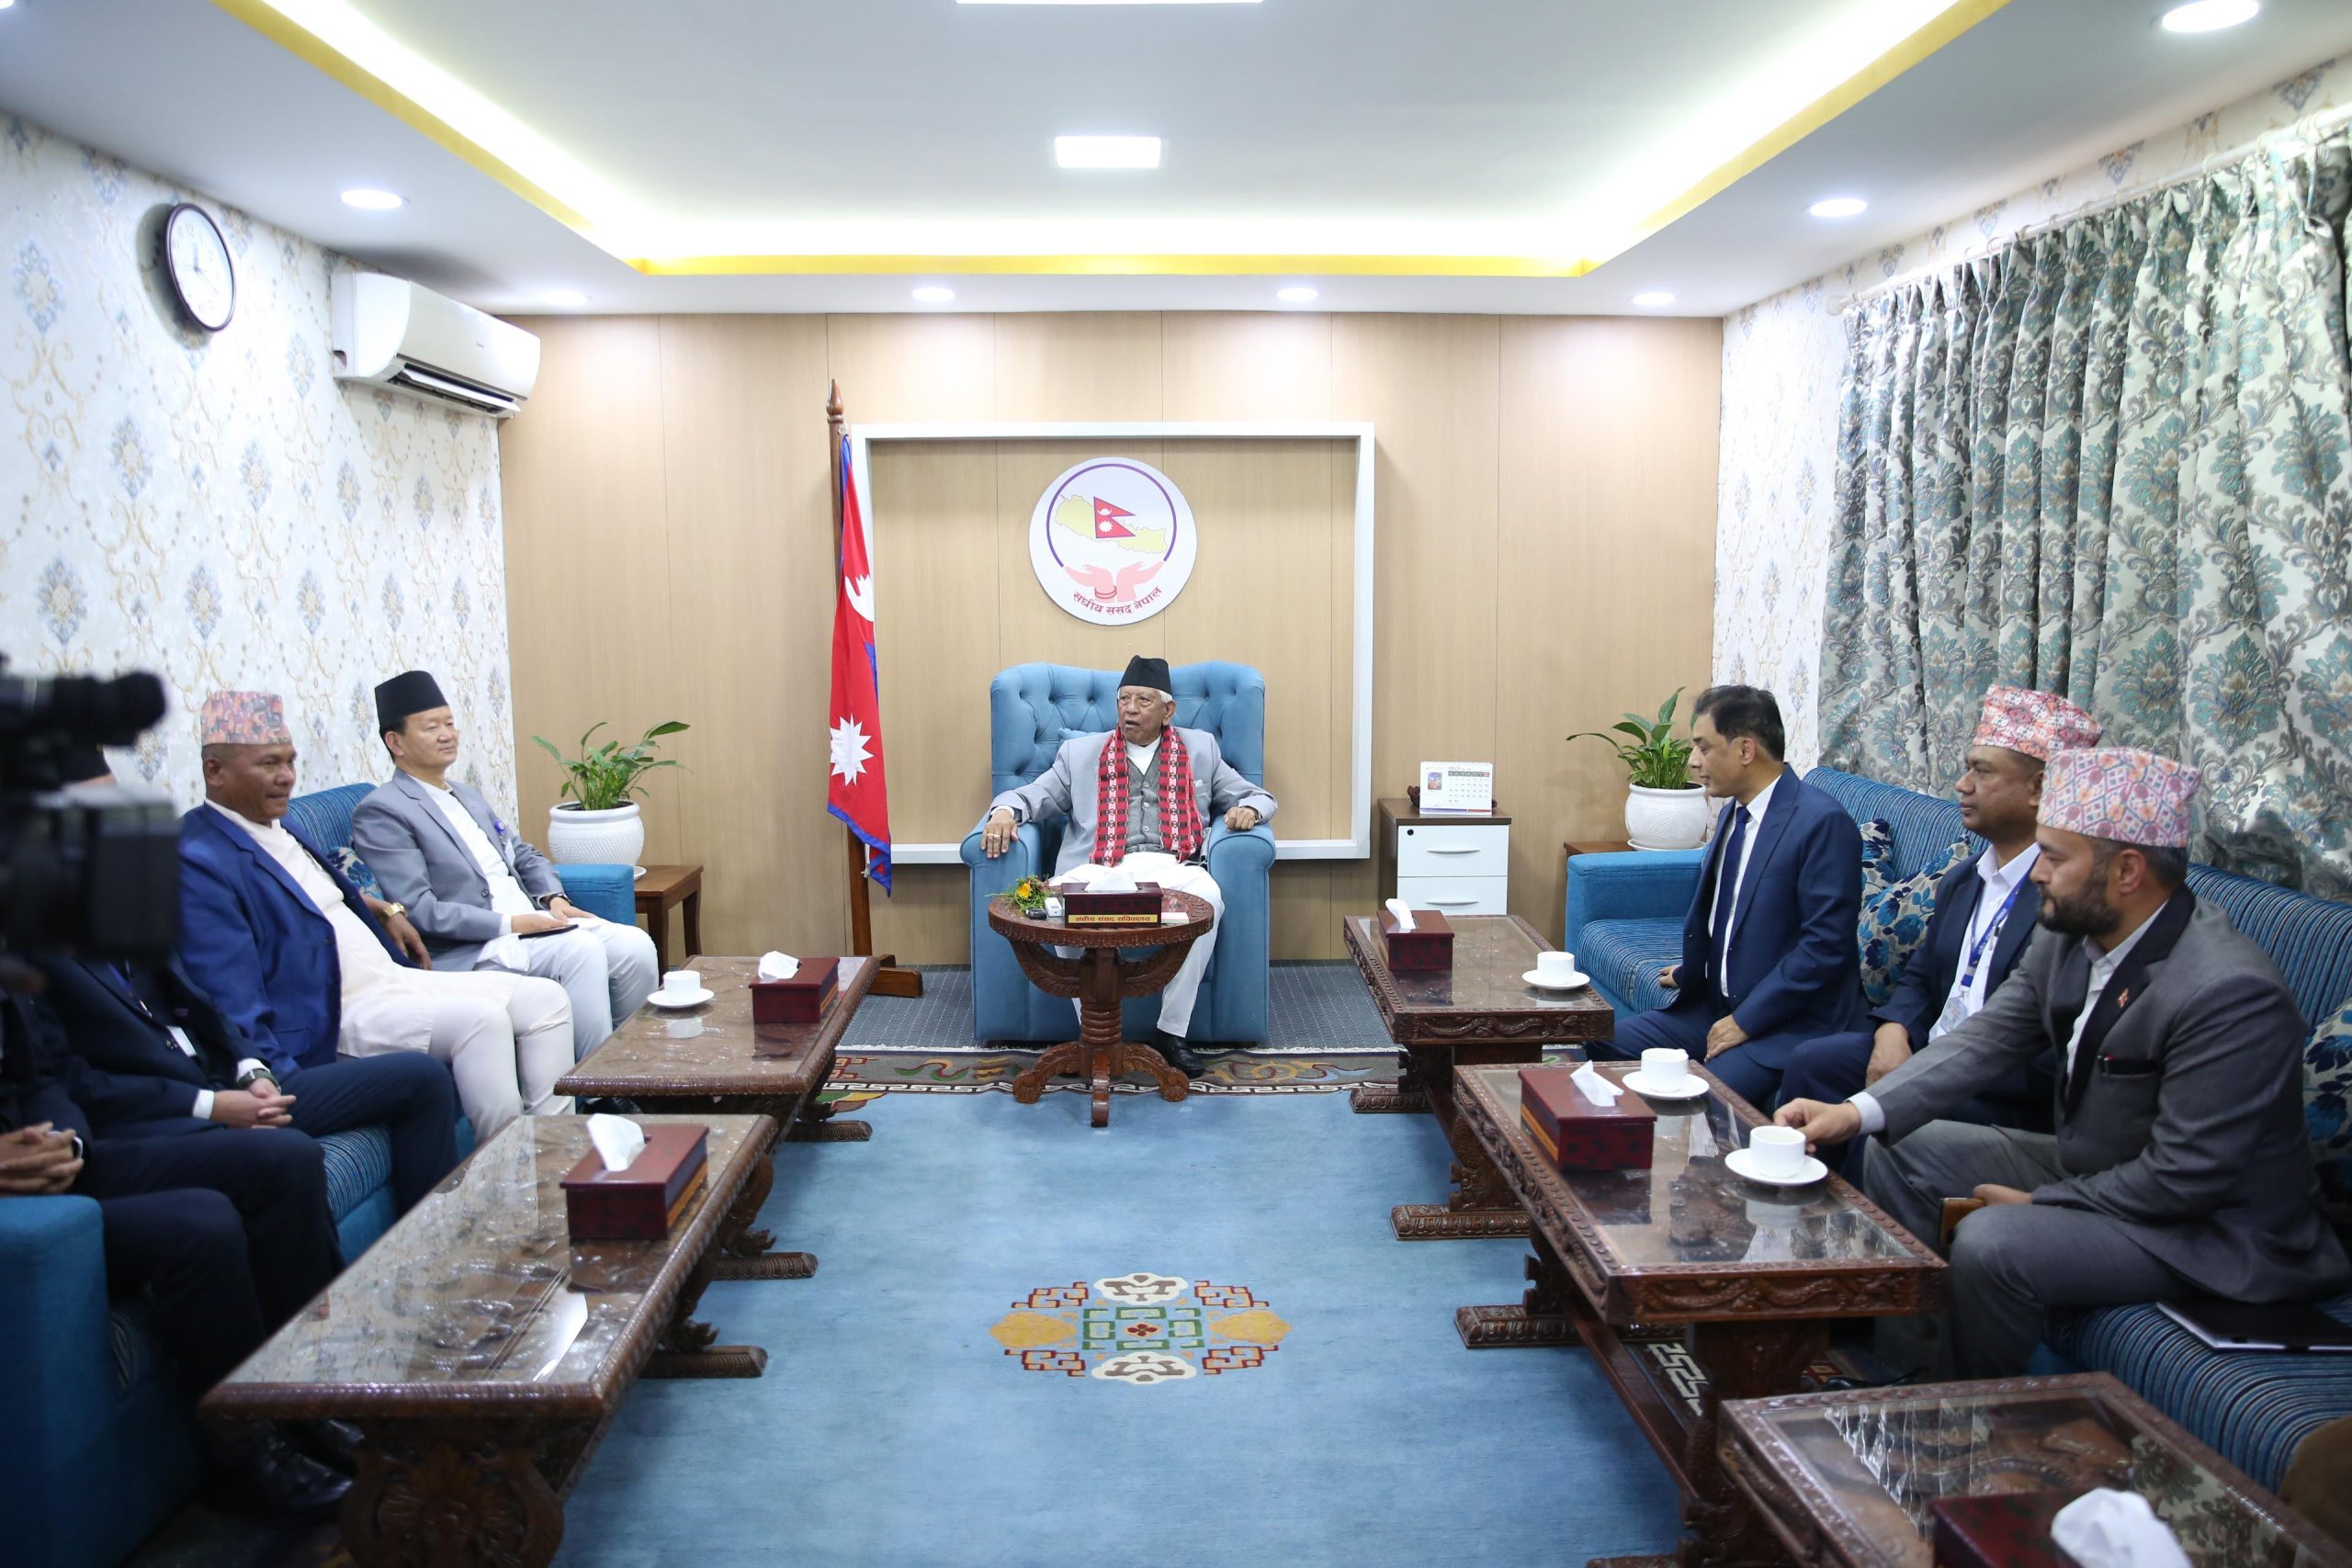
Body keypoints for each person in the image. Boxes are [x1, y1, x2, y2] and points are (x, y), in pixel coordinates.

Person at [1777, 746, 2351, 1380]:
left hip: (2210, 1230)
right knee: (1898, 1145)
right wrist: (1855, 1113)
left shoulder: (2229, 992)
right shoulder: (2070, 931)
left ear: (2127, 871)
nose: (2037, 874)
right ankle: (1905, 1373)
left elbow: (2185, 1178)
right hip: (2108, 1167)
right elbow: (1989, 1037)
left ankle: (1965, 1412)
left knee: (1993, 1242)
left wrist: (2044, 1203)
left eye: (2054, 856)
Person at [2, 984, 351, 1516]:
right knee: (201, 1223)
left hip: (59, 1161)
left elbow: (40, 1078)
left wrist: (64, 1141)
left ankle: (310, 1398)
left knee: (284, 1160)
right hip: (22, 1210)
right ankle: (245, 1453)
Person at [176, 691, 574, 1140]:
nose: (286, 778)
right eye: (269, 765)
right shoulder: (199, 856)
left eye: (289, 762)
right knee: (482, 1022)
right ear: (215, 771)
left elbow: (306, 894)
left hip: (390, 977)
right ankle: (508, 1167)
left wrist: (384, 908)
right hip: (336, 1010)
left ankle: (554, 1149)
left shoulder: (282, 823)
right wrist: (259, 1068)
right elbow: (225, 983)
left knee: (545, 1000)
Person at [1775, 687, 2099, 1167]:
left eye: (1982, 771)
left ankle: (1862, 1213)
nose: (1962, 785)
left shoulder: (2067, 899)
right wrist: (1894, 1030)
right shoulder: (1965, 879)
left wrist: (1926, 1070)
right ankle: (1795, 1194)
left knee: (1886, 1121)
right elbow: (1921, 974)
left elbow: (2047, 1049)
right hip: (1930, 1046)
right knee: (1815, 1062)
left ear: (2039, 788)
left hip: (2001, 1085)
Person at [978, 655, 1275, 1077]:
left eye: (1142, 701)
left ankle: (1172, 1032)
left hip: (1173, 865)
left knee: (1209, 899)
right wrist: (1004, 812)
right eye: (1123, 700)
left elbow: (1258, 796)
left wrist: (1249, 810)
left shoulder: (1201, 749)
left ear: (1168, 710)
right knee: (1061, 907)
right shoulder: (1079, 753)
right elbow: (1031, 795)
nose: (1130, 709)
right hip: (1099, 865)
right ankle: (1092, 1033)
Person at [351, 670, 658, 1059]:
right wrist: (510, 923)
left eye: (450, 723)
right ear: (395, 742)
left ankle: (634, 1068)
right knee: (580, 950)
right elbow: (419, 909)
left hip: (534, 925)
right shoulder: (383, 810)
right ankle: (593, 1084)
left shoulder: (465, 794)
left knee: (635, 946)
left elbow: (523, 854)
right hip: (480, 944)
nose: (447, 734)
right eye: (431, 727)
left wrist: (553, 898)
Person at [1601, 684, 1862, 1106]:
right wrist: (1695, 970)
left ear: (1745, 750)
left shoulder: (1822, 823)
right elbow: (1734, 916)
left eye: (1703, 747)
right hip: (1714, 1007)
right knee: (1601, 1041)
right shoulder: (1734, 813)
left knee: (1696, 1102)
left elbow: (1825, 947)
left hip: (1786, 1024)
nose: (1693, 761)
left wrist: (1746, 1021)